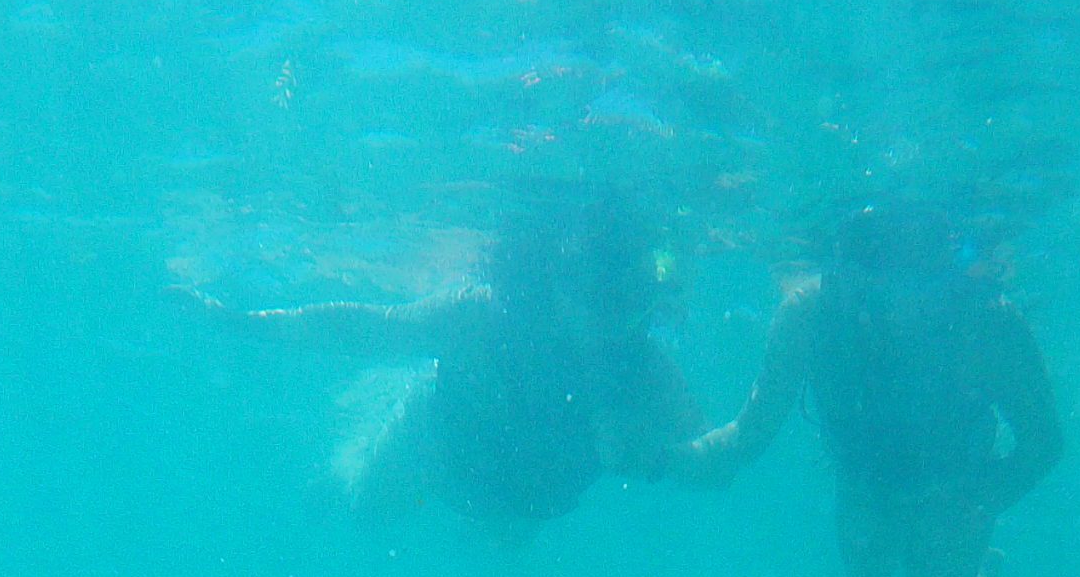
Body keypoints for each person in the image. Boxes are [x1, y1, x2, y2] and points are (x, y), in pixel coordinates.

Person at [672, 201, 1062, 577]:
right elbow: (748, 435)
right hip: (865, 482)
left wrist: (982, 500)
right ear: (845, 272)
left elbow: (1044, 442)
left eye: (919, 274)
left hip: (954, 492)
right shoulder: (808, 315)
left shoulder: (987, 321)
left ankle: (982, 574)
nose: (901, 306)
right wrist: (667, 458)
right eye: (881, 277)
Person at [180, 189, 704, 542]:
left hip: (526, 505)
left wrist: (658, 457)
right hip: (439, 458)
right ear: (553, 276)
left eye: (629, 297)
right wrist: (240, 322)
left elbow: (711, 457)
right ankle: (350, 454)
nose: (609, 317)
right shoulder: (480, 318)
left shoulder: (646, 368)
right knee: (356, 507)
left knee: (506, 559)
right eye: (597, 292)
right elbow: (366, 328)